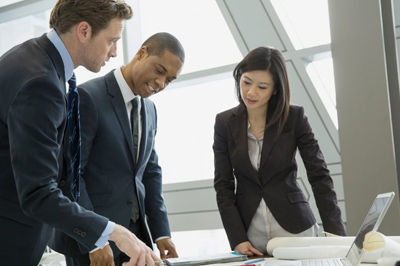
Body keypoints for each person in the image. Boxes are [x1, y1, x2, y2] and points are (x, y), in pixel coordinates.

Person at [0, 1, 160, 265]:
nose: (114, 53)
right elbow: (38, 192)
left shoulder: (33, 59)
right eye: (111, 41)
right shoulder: (40, 82)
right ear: (84, 31)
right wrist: (113, 232)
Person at [49, 32, 184, 266]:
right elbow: (71, 176)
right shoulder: (86, 96)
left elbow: (149, 173)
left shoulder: (150, 110)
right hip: (93, 244)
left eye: (169, 79)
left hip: (137, 239)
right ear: (142, 53)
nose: (161, 83)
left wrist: (162, 233)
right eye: (160, 71)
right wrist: (95, 239)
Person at [213, 46, 347, 256]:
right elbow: (223, 185)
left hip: (296, 231)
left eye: (262, 86)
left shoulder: (294, 118)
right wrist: (237, 238)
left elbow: (319, 175)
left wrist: (336, 235)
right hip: (251, 237)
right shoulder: (224, 123)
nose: (251, 92)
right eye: (246, 81)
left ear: (275, 89)